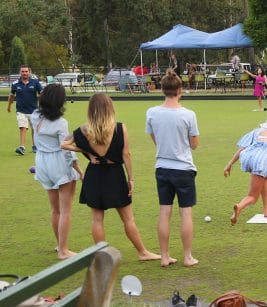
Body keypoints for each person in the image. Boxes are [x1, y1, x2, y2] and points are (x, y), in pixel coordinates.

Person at [61, 93, 159, 261]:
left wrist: (86, 150)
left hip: (94, 175)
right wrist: (131, 179)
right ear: (109, 108)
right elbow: (126, 154)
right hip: (115, 175)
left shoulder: (83, 130)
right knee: (128, 218)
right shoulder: (120, 128)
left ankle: (103, 255)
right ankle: (142, 252)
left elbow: (63, 144)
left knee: (97, 219)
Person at [145, 70, 201, 267]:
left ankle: (164, 256)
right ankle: (187, 257)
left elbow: (154, 138)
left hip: (162, 167)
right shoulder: (188, 114)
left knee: (164, 212)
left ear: (163, 90)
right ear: (179, 90)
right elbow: (194, 144)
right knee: (185, 213)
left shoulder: (152, 113)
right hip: (183, 168)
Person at [31, 83, 82, 259]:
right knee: (65, 210)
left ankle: (60, 244)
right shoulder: (61, 123)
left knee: (55, 210)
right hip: (58, 162)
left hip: (42, 162)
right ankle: (63, 250)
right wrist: (79, 170)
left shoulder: (34, 116)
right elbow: (67, 150)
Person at [225, 113, 267, 224]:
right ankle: (239, 207)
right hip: (260, 160)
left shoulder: (256, 131)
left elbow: (242, 148)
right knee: (252, 197)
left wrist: (229, 164)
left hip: (247, 156)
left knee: (265, 177)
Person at [7, 65, 43, 155]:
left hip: (34, 110)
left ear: (29, 72)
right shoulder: (15, 83)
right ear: (20, 72)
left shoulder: (35, 82)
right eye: (23, 71)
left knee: (34, 129)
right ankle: (22, 147)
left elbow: (42, 94)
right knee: (23, 127)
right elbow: (11, 96)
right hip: (21, 111)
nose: (24, 73)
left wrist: (44, 105)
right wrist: (9, 106)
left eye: (26, 71)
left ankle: (35, 146)